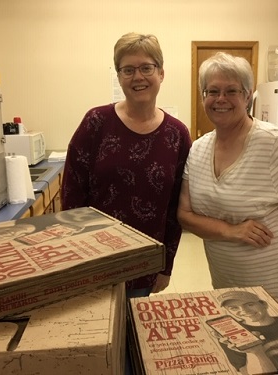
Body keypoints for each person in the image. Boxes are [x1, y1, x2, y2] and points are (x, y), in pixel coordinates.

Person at [177, 52, 278, 323]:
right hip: (233, 292)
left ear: (248, 96)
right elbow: (185, 215)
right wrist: (232, 231)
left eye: (232, 91)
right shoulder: (197, 150)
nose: (221, 99)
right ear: (202, 96)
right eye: (212, 91)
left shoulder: (276, 145)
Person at [61, 32, 192, 299]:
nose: (138, 77)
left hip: (145, 263)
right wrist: (76, 258)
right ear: (119, 76)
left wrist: (166, 265)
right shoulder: (96, 122)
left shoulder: (177, 135)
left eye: (146, 67)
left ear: (161, 73)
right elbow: (72, 195)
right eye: (128, 69)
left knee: (131, 334)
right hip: (94, 261)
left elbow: (174, 209)